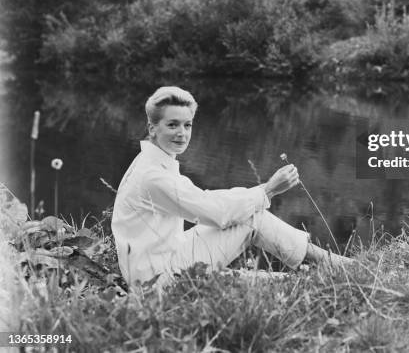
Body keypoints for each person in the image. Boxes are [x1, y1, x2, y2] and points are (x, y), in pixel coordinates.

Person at [111, 86, 350, 286]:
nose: (182, 134)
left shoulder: (151, 162)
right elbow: (216, 213)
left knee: (249, 230)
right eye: (172, 125)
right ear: (152, 128)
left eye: (188, 125)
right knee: (252, 218)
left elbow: (206, 200)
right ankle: (335, 266)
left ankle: (318, 273)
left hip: (161, 263)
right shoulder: (152, 176)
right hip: (158, 280)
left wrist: (258, 193)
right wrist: (268, 189)